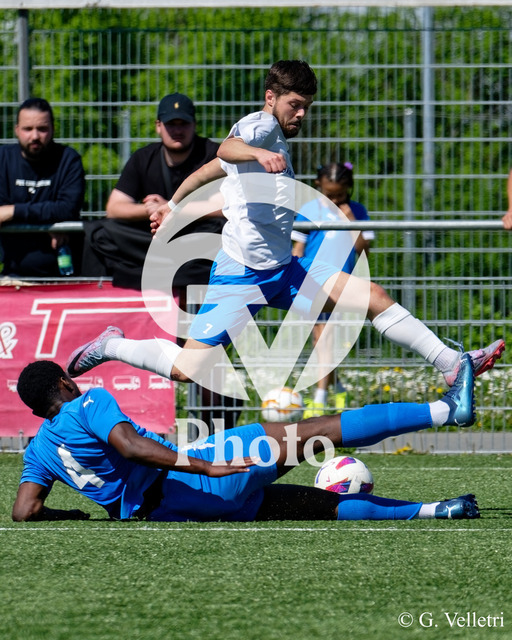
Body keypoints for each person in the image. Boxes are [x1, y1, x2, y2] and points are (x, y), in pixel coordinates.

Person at [67, 60, 504, 396]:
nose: (301, 114)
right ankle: (111, 345)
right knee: (188, 369)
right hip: (241, 276)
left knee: (371, 295)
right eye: (295, 104)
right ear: (271, 96)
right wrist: (256, 155)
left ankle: (450, 363)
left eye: (306, 106)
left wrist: (173, 204)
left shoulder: (274, 138)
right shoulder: (259, 127)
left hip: (284, 270)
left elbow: (208, 169)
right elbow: (229, 148)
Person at [12, 355, 479, 522]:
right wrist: (204, 465)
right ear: (66, 383)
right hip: (198, 476)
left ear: (36, 410)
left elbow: (25, 510)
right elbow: (131, 447)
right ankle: (445, 410)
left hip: (176, 512)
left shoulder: (38, 451)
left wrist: (69, 512)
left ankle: (438, 510)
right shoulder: (87, 403)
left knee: (316, 506)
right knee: (322, 430)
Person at [82, 92, 222, 291]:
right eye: (171, 124)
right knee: (100, 233)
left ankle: (160, 274)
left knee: (222, 230)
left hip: (196, 237)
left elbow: (223, 206)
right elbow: (114, 208)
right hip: (155, 238)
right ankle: (101, 295)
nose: (177, 130)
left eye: (183, 123)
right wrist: (150, 210)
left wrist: (171, 208)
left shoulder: (213, 154)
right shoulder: (143, 157)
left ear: (194, 125)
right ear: (158, 126)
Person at [292, 161, 374, 417]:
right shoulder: (308, 210)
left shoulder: (357, 211)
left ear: (349, 188)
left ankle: (321, 398)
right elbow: (298, 248)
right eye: (330, 195)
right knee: (321, 339)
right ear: (318, 186)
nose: (335, 200)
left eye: (340, 195)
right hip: (312, 281)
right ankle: (336, 389)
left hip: (343, 283)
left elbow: (363, 249)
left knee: (323, 338)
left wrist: (351, 221)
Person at [0, 98, 85, 277]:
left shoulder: (68, 160)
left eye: (42, 129)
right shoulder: (3, 159)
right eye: (27, 129)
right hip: (10, 274)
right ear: (16, 130)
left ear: (53, 129)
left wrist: (13, 211)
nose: (35, 136)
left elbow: (67, 208)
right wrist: (50, 222)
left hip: (63, 273)